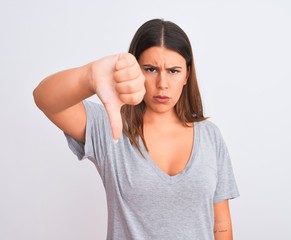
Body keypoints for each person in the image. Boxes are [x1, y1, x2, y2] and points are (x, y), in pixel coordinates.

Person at [33, 18, 239, 240]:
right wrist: (89, 76)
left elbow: (221, 222)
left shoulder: (210, 136)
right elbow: (45, 99)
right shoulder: (110, 126)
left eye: (173, 71)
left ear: (187, 74)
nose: (162, 83)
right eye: (150, 69)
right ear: (135, 71)